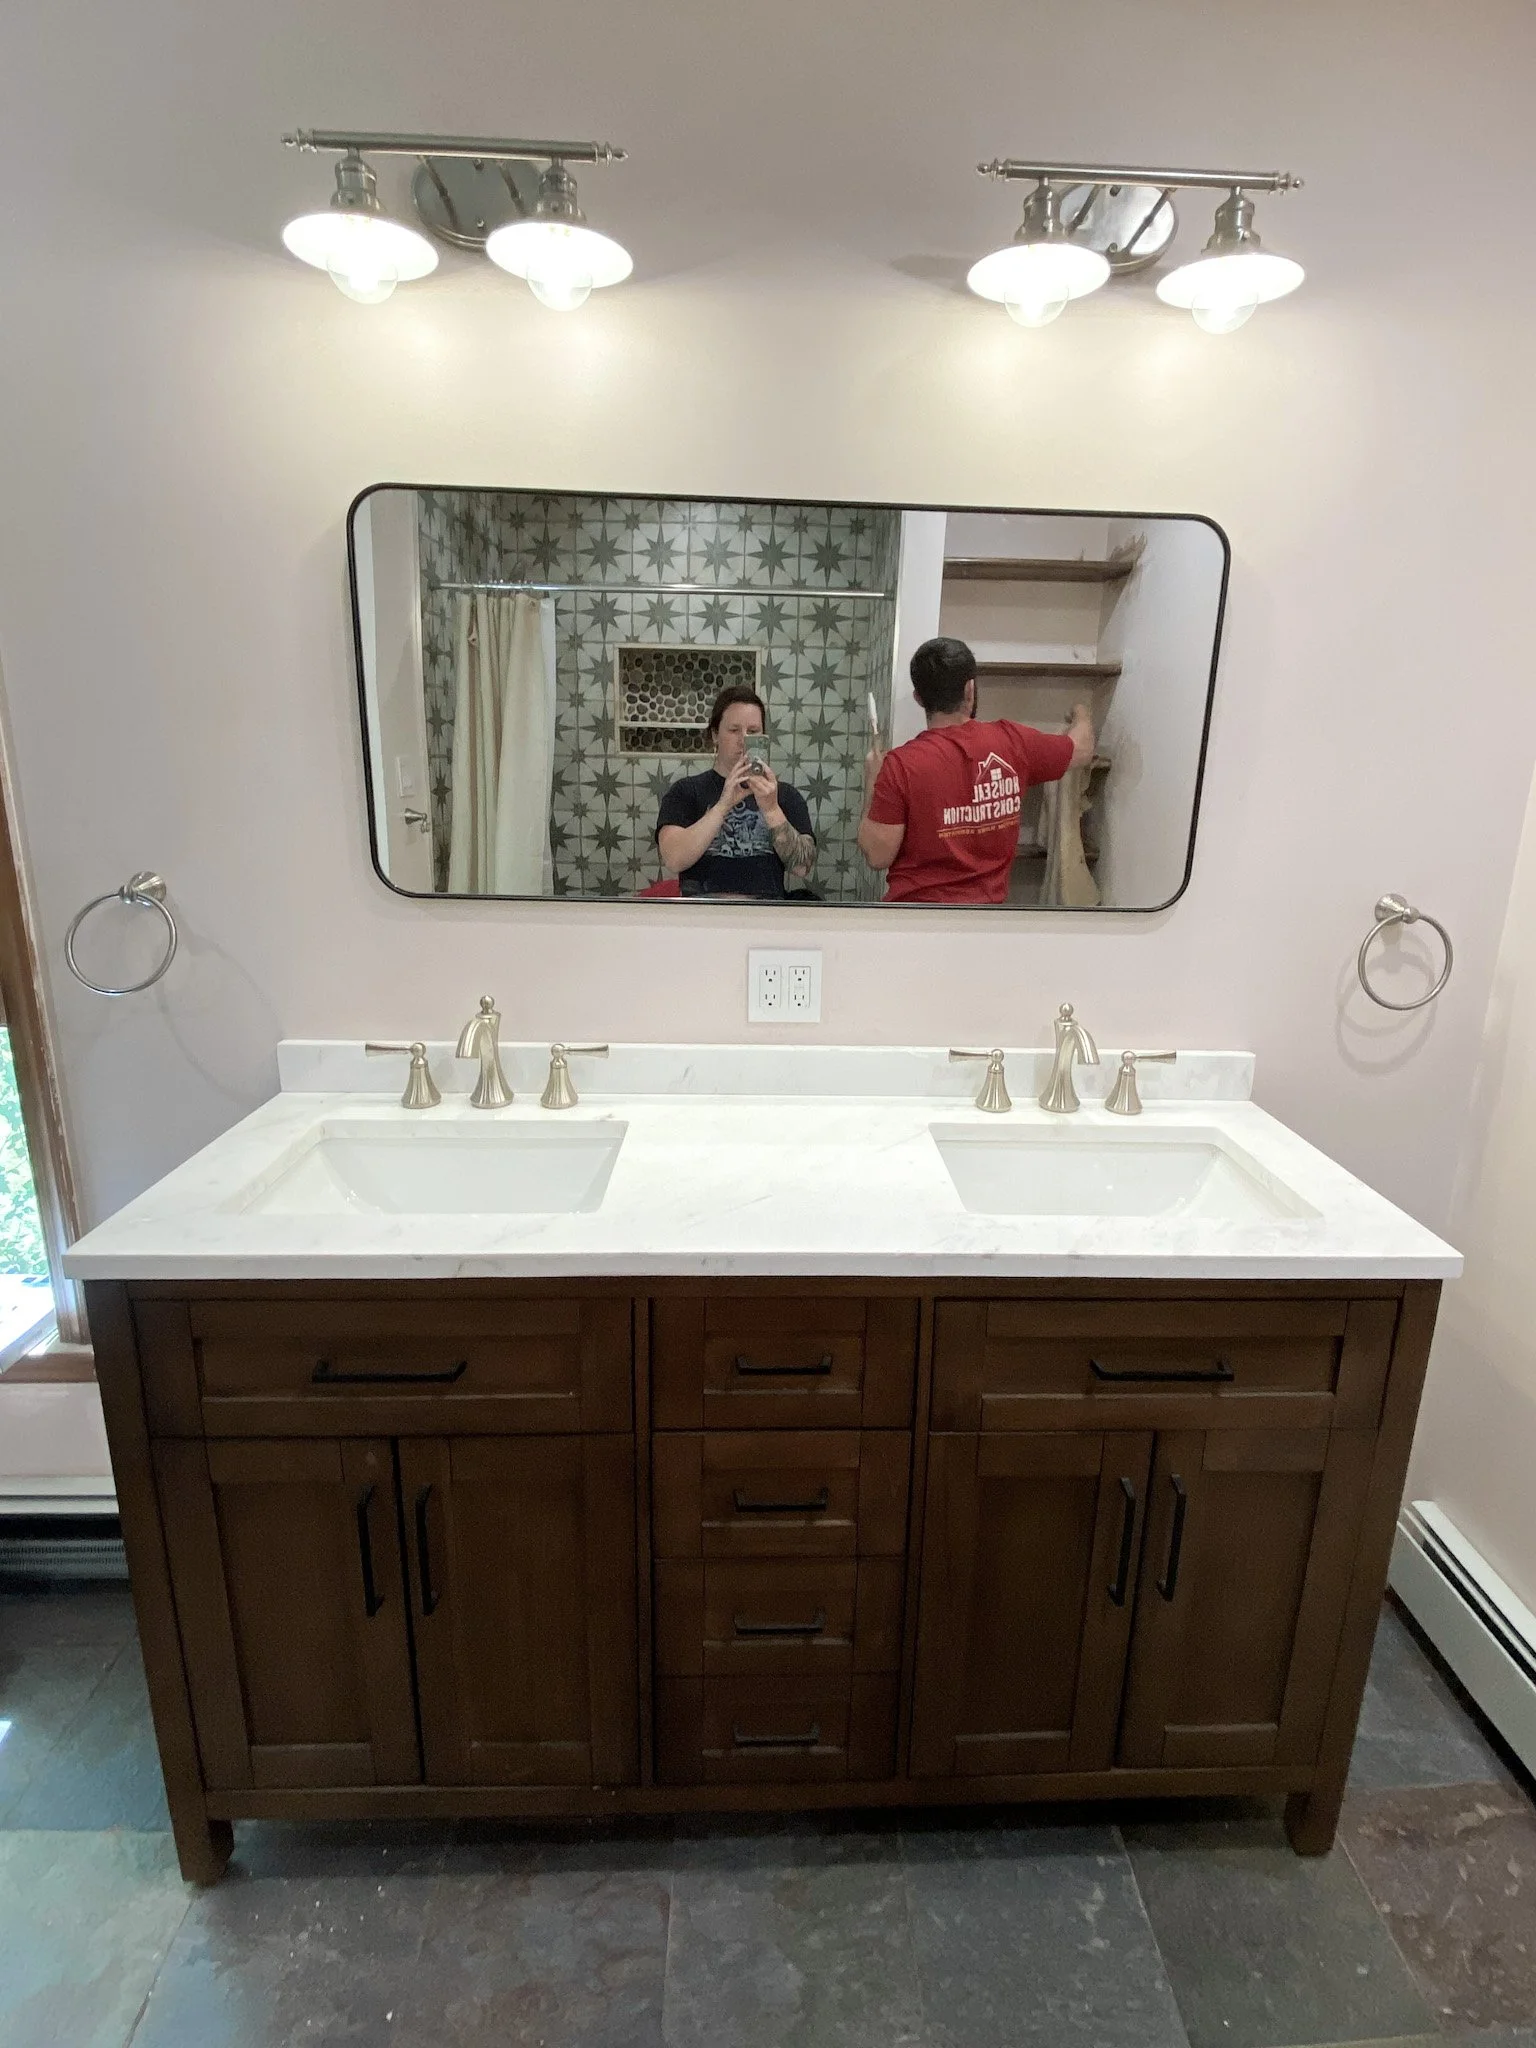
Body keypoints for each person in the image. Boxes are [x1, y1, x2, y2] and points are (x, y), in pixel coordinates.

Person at [858, 636, 1094, 904]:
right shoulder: (1014, 742)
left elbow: (877, 856)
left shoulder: (900, 766)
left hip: (916, 922)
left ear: (919, 698)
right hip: (985, 923)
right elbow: (1082, 749)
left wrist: (872, 781)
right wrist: (1081, 711)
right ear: (970, 689)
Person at [655, 684, 817, 898]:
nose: (743, 740)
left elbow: (802, 867)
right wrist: (723, 806)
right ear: (715, 735)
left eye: (753, 732)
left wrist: (771, 810)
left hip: (766, 921)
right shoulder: (686, 791)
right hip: (701, 921)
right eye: (734, 730)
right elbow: (673, 859)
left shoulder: (784, 796)